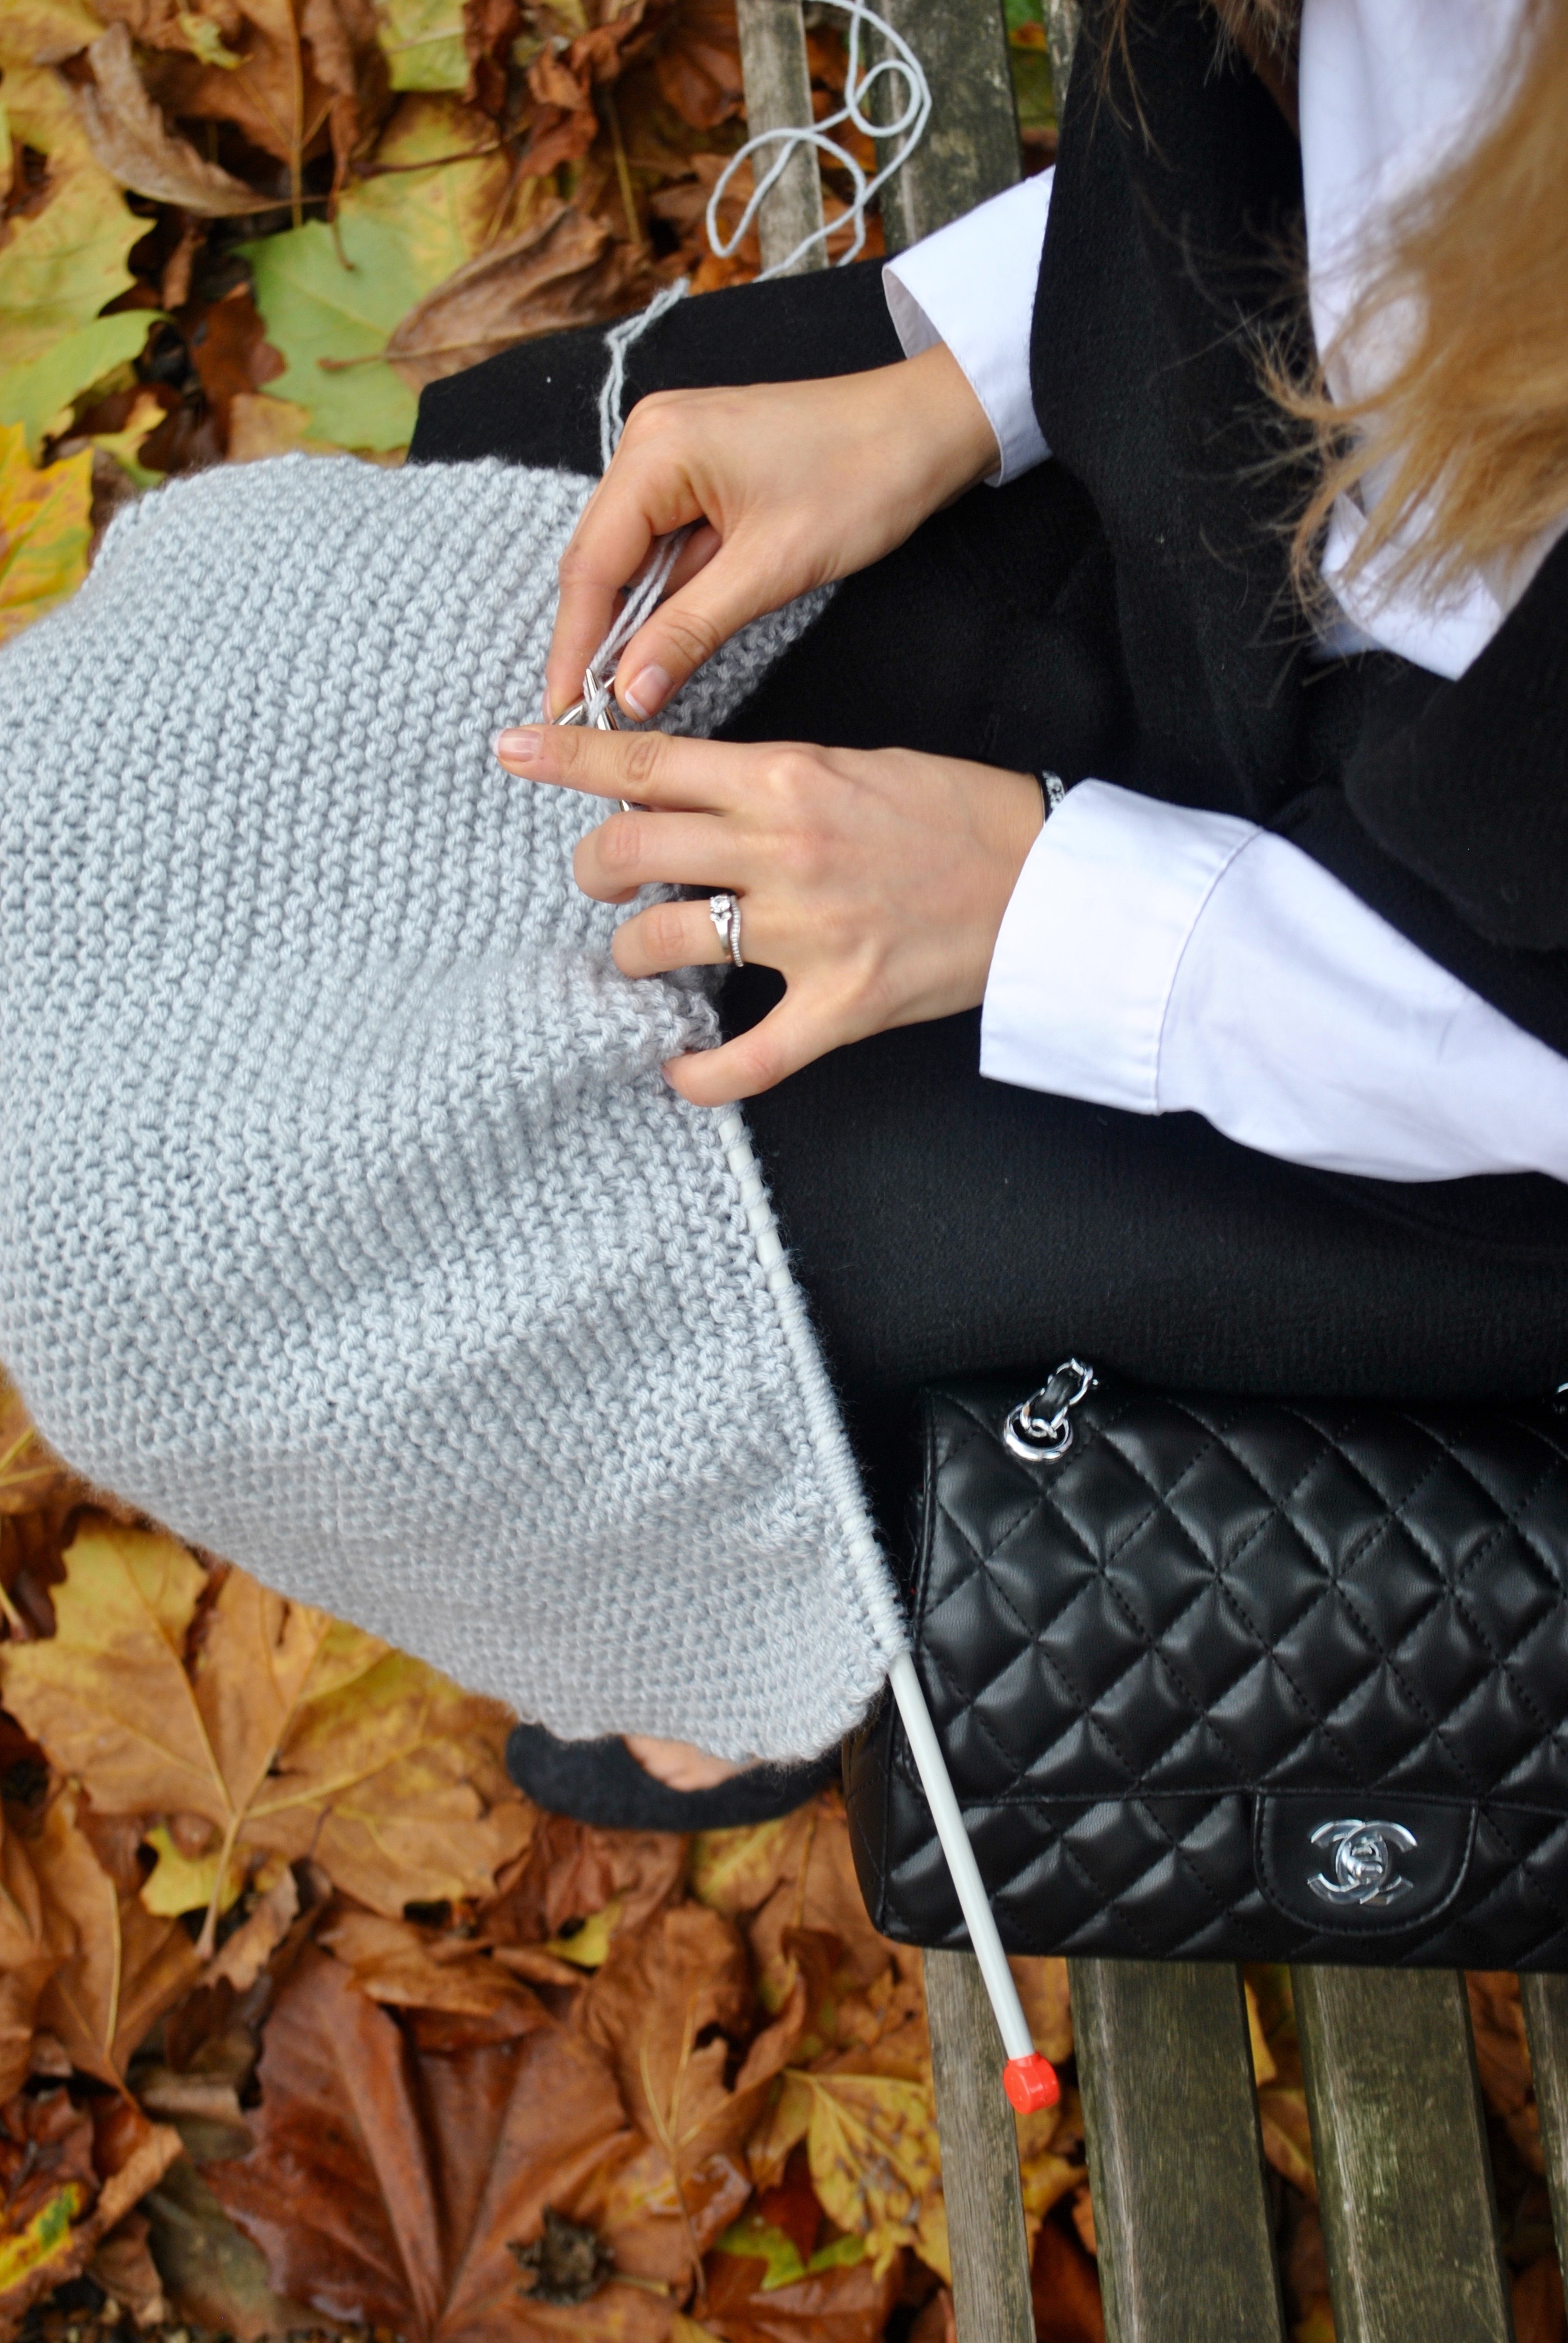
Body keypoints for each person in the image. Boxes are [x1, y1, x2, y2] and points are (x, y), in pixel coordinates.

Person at [408, 0, 1568, 1821]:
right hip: (1233, 533)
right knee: (528, 523)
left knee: (754, 1211)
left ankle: (773, 1562)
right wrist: (957, 393)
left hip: (1426, 1012)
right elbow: (1326, 169)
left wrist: (1041, 902)